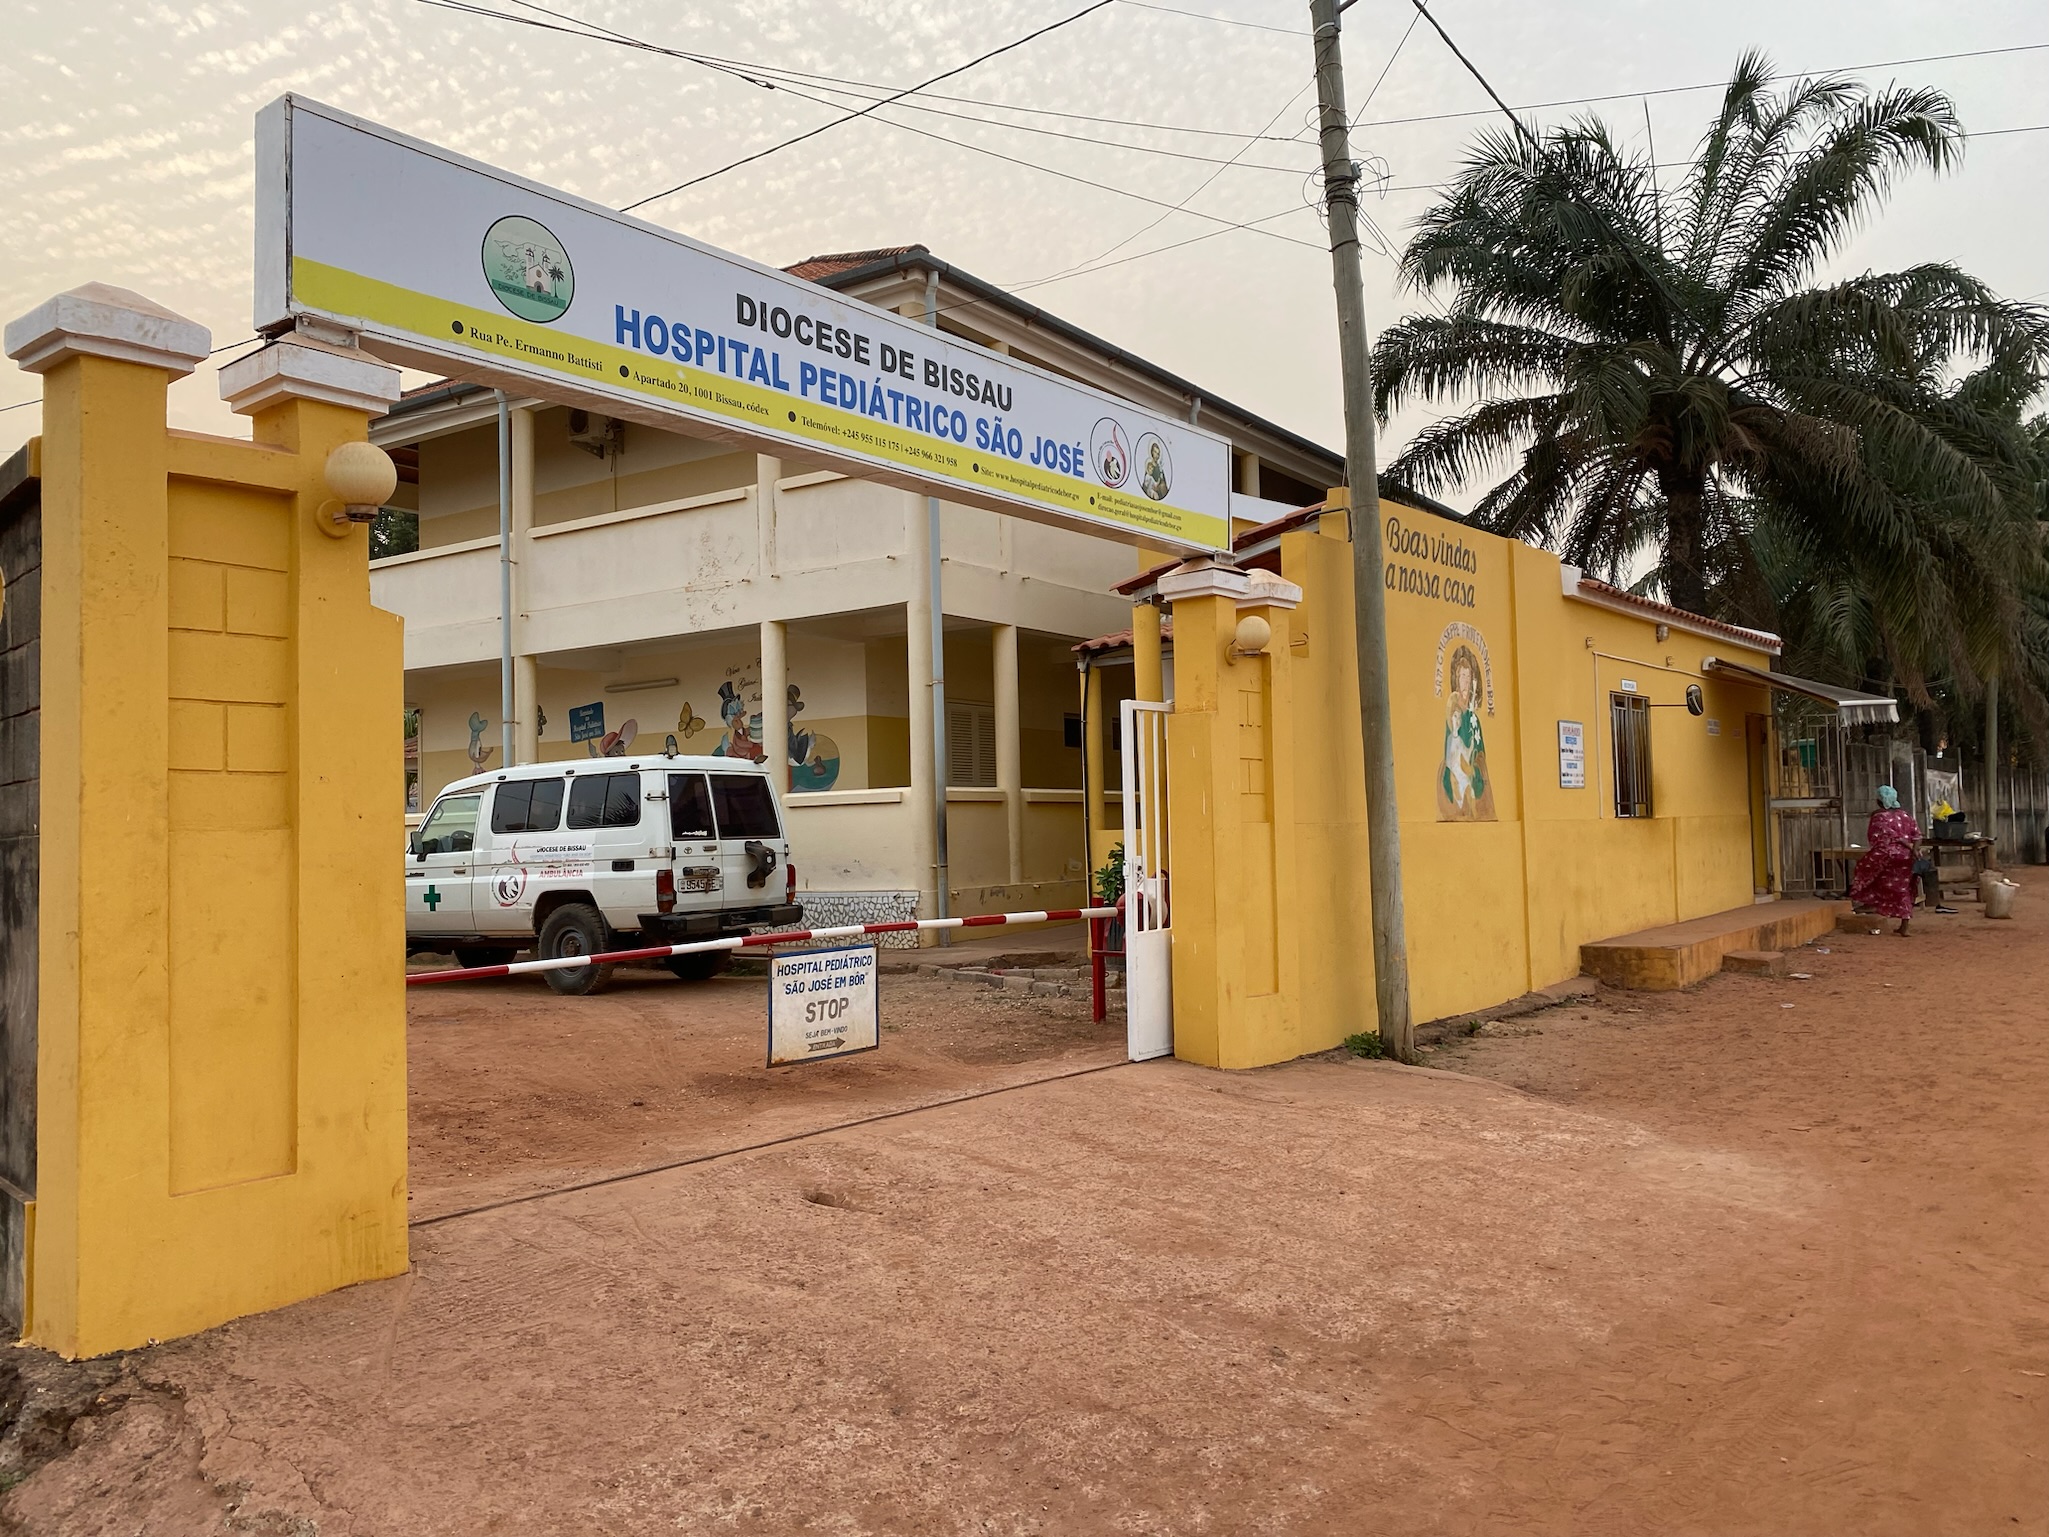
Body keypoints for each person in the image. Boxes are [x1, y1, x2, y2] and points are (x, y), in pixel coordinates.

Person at [1849, 785, 1921, 935]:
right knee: (1904, 889)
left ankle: (1871, 904)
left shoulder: (1879, 817)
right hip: (1907, 857)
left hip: (1886, 856)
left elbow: (1881, 839)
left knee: (1865, 873)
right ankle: (1904, 925)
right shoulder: (1906, 815)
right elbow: (1918, 836)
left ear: (1879, 801)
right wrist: (1914, 850)